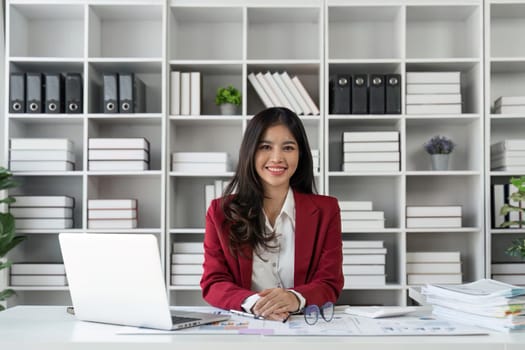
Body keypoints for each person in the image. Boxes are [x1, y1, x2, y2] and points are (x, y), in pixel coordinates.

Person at [200, 107, 344, 322]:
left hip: (304, 327)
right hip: (247, 325)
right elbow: (213, 282)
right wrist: (254, 302)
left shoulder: (326, 210)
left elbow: (330, 282)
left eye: (288, 147)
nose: (277, 158)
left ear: (300, 154)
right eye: (265, 146)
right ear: (250, 152)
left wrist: (294, 298)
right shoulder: (221, 212)